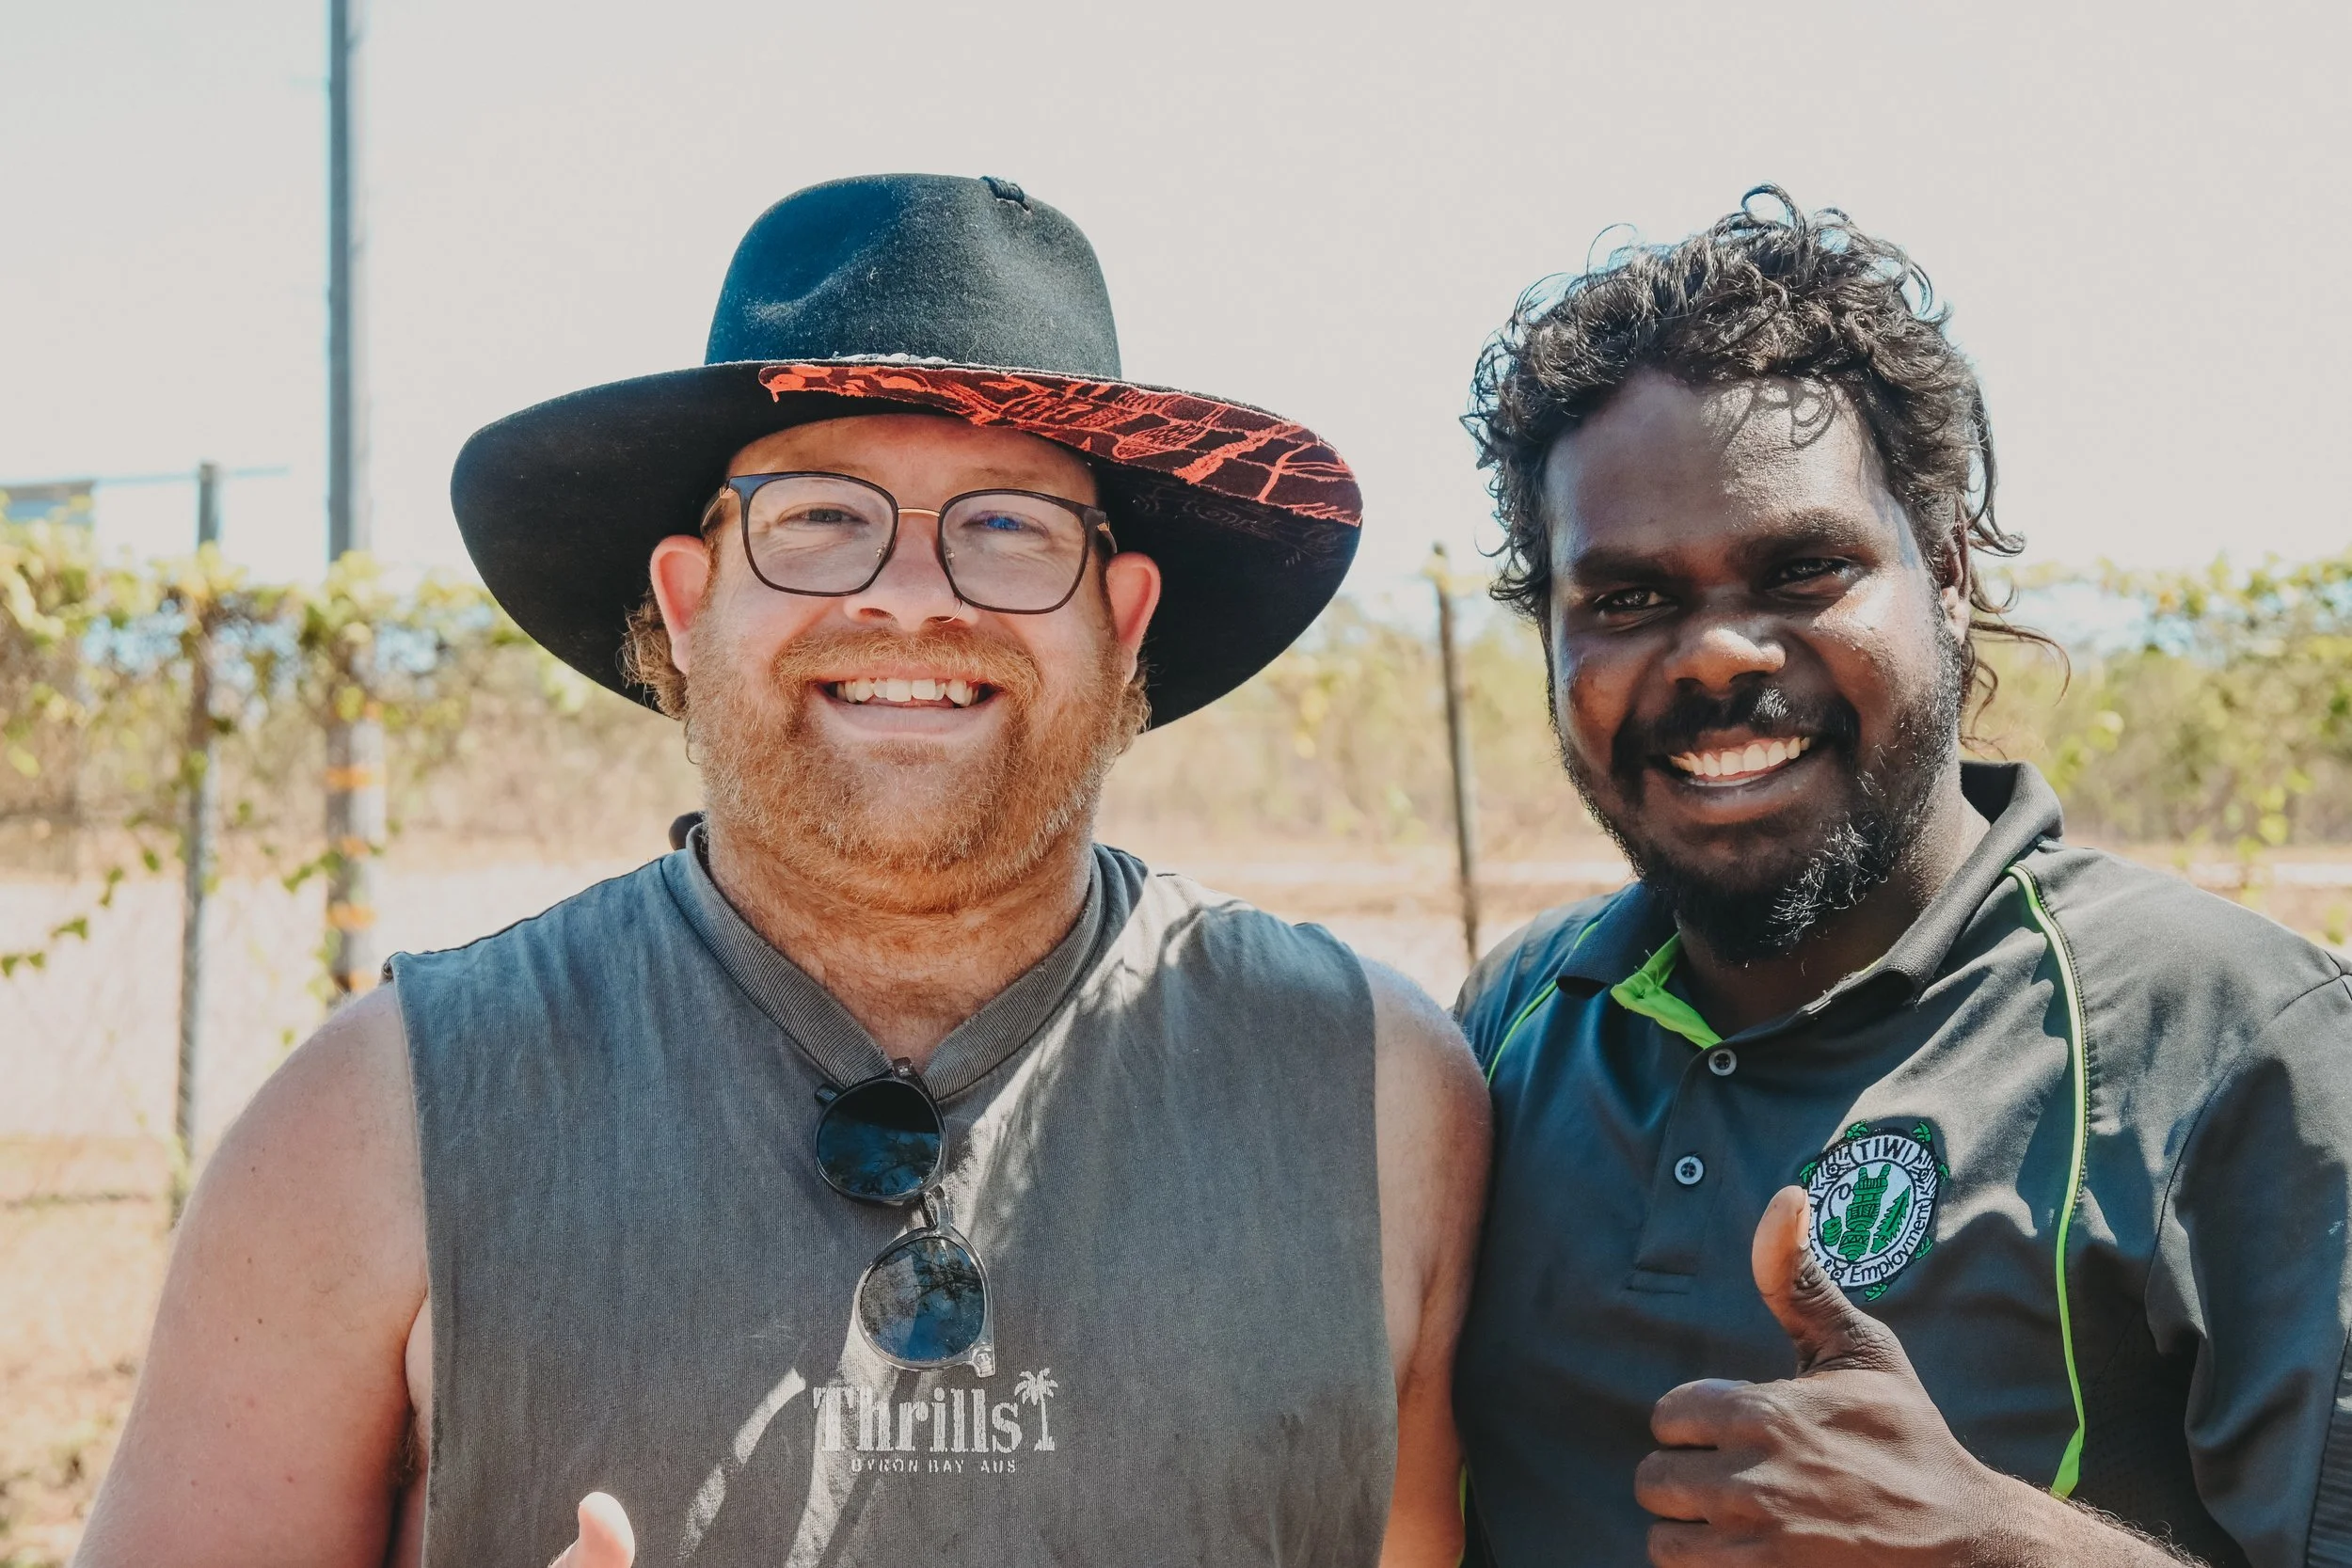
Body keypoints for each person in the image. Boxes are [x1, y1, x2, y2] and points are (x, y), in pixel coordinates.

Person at [78, 174, 1488, 1568]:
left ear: (1121, 625)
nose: (914, 595)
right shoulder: (373, 1122)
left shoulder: (1373, 1093)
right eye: (818, 517)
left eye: (1010, 526)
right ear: (687, 606)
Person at [1449, 188, 2352, 1567]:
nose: (1713, 656)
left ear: (1944, 571)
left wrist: (1991, 1538)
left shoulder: (2226, 1037)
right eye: (1627, 599)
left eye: (1803, 567)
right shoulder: (1511, 1024)